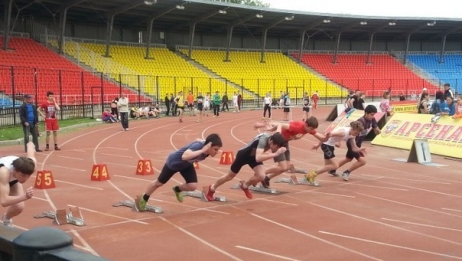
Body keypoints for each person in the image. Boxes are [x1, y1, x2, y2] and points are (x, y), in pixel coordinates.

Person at [135, 134, 223, 211]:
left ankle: (177, 189)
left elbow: (198, 139)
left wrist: (202, 143)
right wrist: (202, 151)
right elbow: (184, 156)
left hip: (186, 165)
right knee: (158, 183)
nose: (217, 152)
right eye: (215, 149)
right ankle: (144, 198)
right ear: (209, 146)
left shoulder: (205, 146)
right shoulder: (199, 147)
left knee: (192, 186)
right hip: (174, 163)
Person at [205, 132, 287, 201]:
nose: (276, 149)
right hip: (243, 155)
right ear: (271, 142)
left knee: (261, 175)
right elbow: (258, 158)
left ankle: (245, 186)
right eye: (276, 147)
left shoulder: (274, 138)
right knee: (229, 176)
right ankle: (212, 188)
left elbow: (278, 131)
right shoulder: (263, 141)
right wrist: (276, 154)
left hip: (253, 157)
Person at [254, 117, 329, 188]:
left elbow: (322, 138)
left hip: (285, 143)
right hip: (278, 143)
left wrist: (327, 137)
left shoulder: (309, 129)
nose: (312, 130)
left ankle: (266, 178)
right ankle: (261, 174)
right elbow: (281, 124)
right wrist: (273, 129)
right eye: (311, 128)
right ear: (306, 125)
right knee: (282, 166)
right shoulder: (297, 126)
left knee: (286, 167)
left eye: (313, 129)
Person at [329, 105, 381, 181]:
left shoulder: (372, 119)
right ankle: (346, 172)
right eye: (371, 114)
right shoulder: (360, 122)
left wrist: (378, 131)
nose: (373, 116)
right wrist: (340, 142)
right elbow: (348, 129)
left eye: (374, 114)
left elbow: (376, 129)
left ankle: (333, 169)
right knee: (362, 161)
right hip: (352, 143)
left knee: (348, 159)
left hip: (358, 144)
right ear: (366, 113)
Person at [0, 142, 36, 227]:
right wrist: (25, 197)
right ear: (15, 170)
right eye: (23, 175)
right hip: (2, 177)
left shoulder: (31, 165)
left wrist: (30, 143)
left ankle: (6, 219)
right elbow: (4, 201)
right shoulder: (4, 172)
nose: (25, 179)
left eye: (28, 176)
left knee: (19, 207)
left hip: (12, 178)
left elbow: (30, 148)